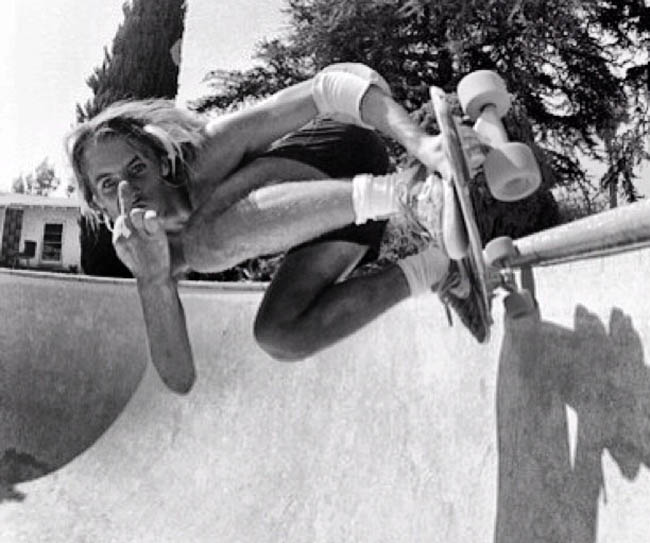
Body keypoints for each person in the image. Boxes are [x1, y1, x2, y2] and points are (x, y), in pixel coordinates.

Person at [65, 63, 487, 394]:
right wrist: (152, 278)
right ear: (99, 206)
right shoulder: (154, 252)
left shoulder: (203, 155)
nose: (130, 189)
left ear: (161, 163)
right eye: (108, 185)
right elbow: (179, 379)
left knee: (202, 247)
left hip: (338, 151)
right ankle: (438, 269)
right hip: (332, 219)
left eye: (137, 168)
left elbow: (328, 88)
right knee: (280, 335)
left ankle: (413, 195)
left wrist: (422, 145)